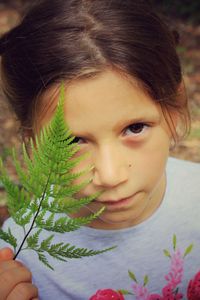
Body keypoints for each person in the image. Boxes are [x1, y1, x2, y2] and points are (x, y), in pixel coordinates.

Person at [0, 0, 200, 299]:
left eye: (135, 128)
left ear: (174, 110)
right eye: (73, 140)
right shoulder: (18, 258)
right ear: (33, 139)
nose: (110, 175)